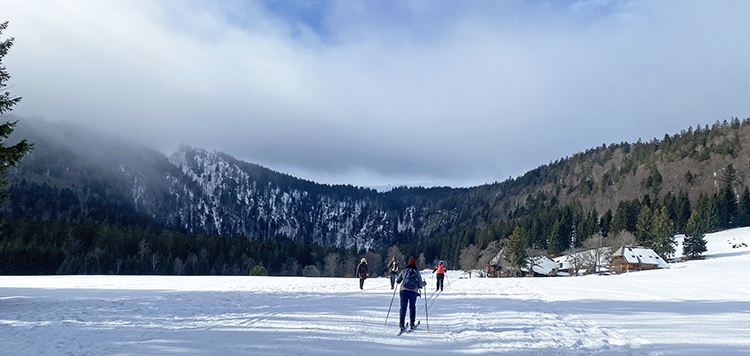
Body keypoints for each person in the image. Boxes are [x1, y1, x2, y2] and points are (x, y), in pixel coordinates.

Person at [396, 258, 426, 331]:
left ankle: (401, 323)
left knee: (403, 307)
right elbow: (420, 284)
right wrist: (424, 283)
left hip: (403, 291)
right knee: (412, 307)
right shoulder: (417, 272)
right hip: (413, 292)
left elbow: (398, 281)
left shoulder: (404, 271)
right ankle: (412, 323)